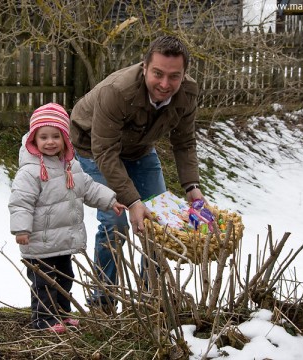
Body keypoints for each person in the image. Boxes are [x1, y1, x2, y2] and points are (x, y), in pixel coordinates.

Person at [69, 35, 205, 306]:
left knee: (159, 221)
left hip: (140, 148)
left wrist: (191, 186)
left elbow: (184, 141)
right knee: (115, 222)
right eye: (158, 74)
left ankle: (150, 298)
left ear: (184, 74)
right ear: (144, 67)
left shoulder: (188, 93)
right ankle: (103, 300)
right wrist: (131, 201)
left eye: (174, 76)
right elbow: (105, 152)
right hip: (93, 147)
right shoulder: (117, 91)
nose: (165, 84)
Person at [8, 103, 126, 333]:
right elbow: (20, 201)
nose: (50, 142)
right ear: (34, 140)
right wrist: (21, 230)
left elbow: (89, 188)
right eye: (43, 137)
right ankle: (44, 320)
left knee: (64, 279)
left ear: (65, 139)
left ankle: (62, 314)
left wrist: (110, 201)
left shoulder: (71, 166)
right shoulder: (30, 171)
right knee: (44, 283)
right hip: (39, 242)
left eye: (56, 136)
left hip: (62, 242)